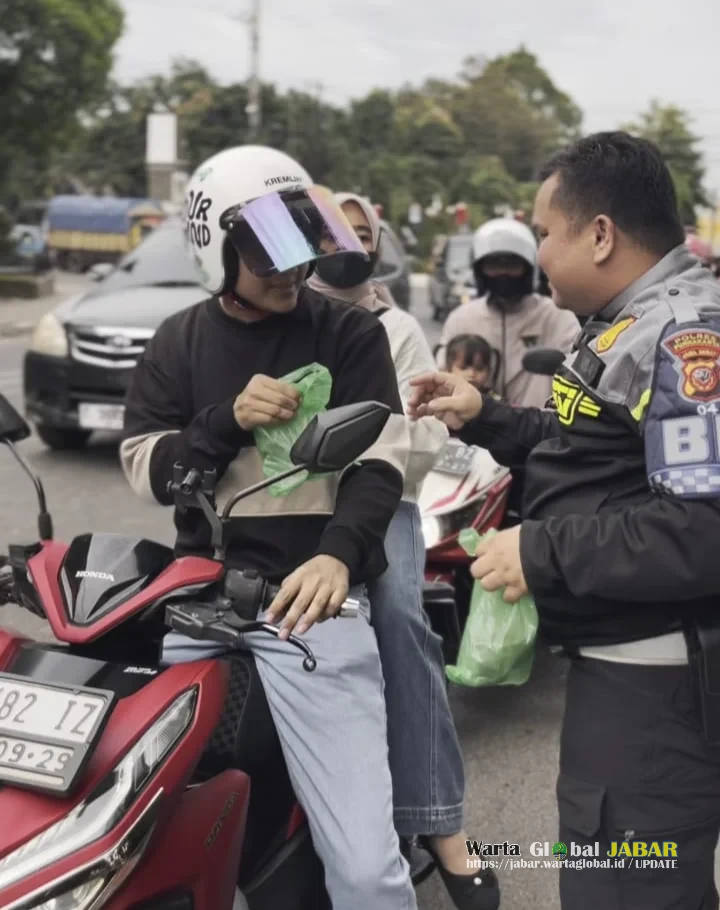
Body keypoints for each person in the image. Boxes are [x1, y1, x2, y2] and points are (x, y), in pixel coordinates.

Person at [408, 131, 720, 910]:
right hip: (622, 664)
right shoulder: (628, 321)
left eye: (546, 234)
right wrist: (485, 414)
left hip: (657, 685)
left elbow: (703, 528)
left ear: (601, 234)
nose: (541, 255)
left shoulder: (682, 338)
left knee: (627, 885)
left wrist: (541, 549)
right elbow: (586, 450)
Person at [120, 145, 419, 910]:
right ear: (215, 253)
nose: (291, 271)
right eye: (269, 258)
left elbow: (379, 464)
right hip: (201, 604)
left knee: (364, 870)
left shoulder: (351, 336)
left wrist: (336, 562)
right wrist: (225, 421)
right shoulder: (177, 343)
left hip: (312, 606)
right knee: (129, 828)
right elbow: (149, 469)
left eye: (300, 248)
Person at [308, 191, 501, 910]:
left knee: (398, 623)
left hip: (379, 499)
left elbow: (424, 437)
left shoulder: (395, 327)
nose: (348, 245)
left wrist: (363, 449)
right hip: (284, 508)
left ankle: (439, 824)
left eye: (362, 235)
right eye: (334, 234)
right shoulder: (275, 315)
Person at [435, 217, 580, 407]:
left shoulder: (557, 316)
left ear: (529, 269)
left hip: (539, 428)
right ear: (480, 270)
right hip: (474, 429)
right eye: (494, 265)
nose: (503, 273)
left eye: (512, 265)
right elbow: (442, 374)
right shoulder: (462, 319)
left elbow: (576, 373)